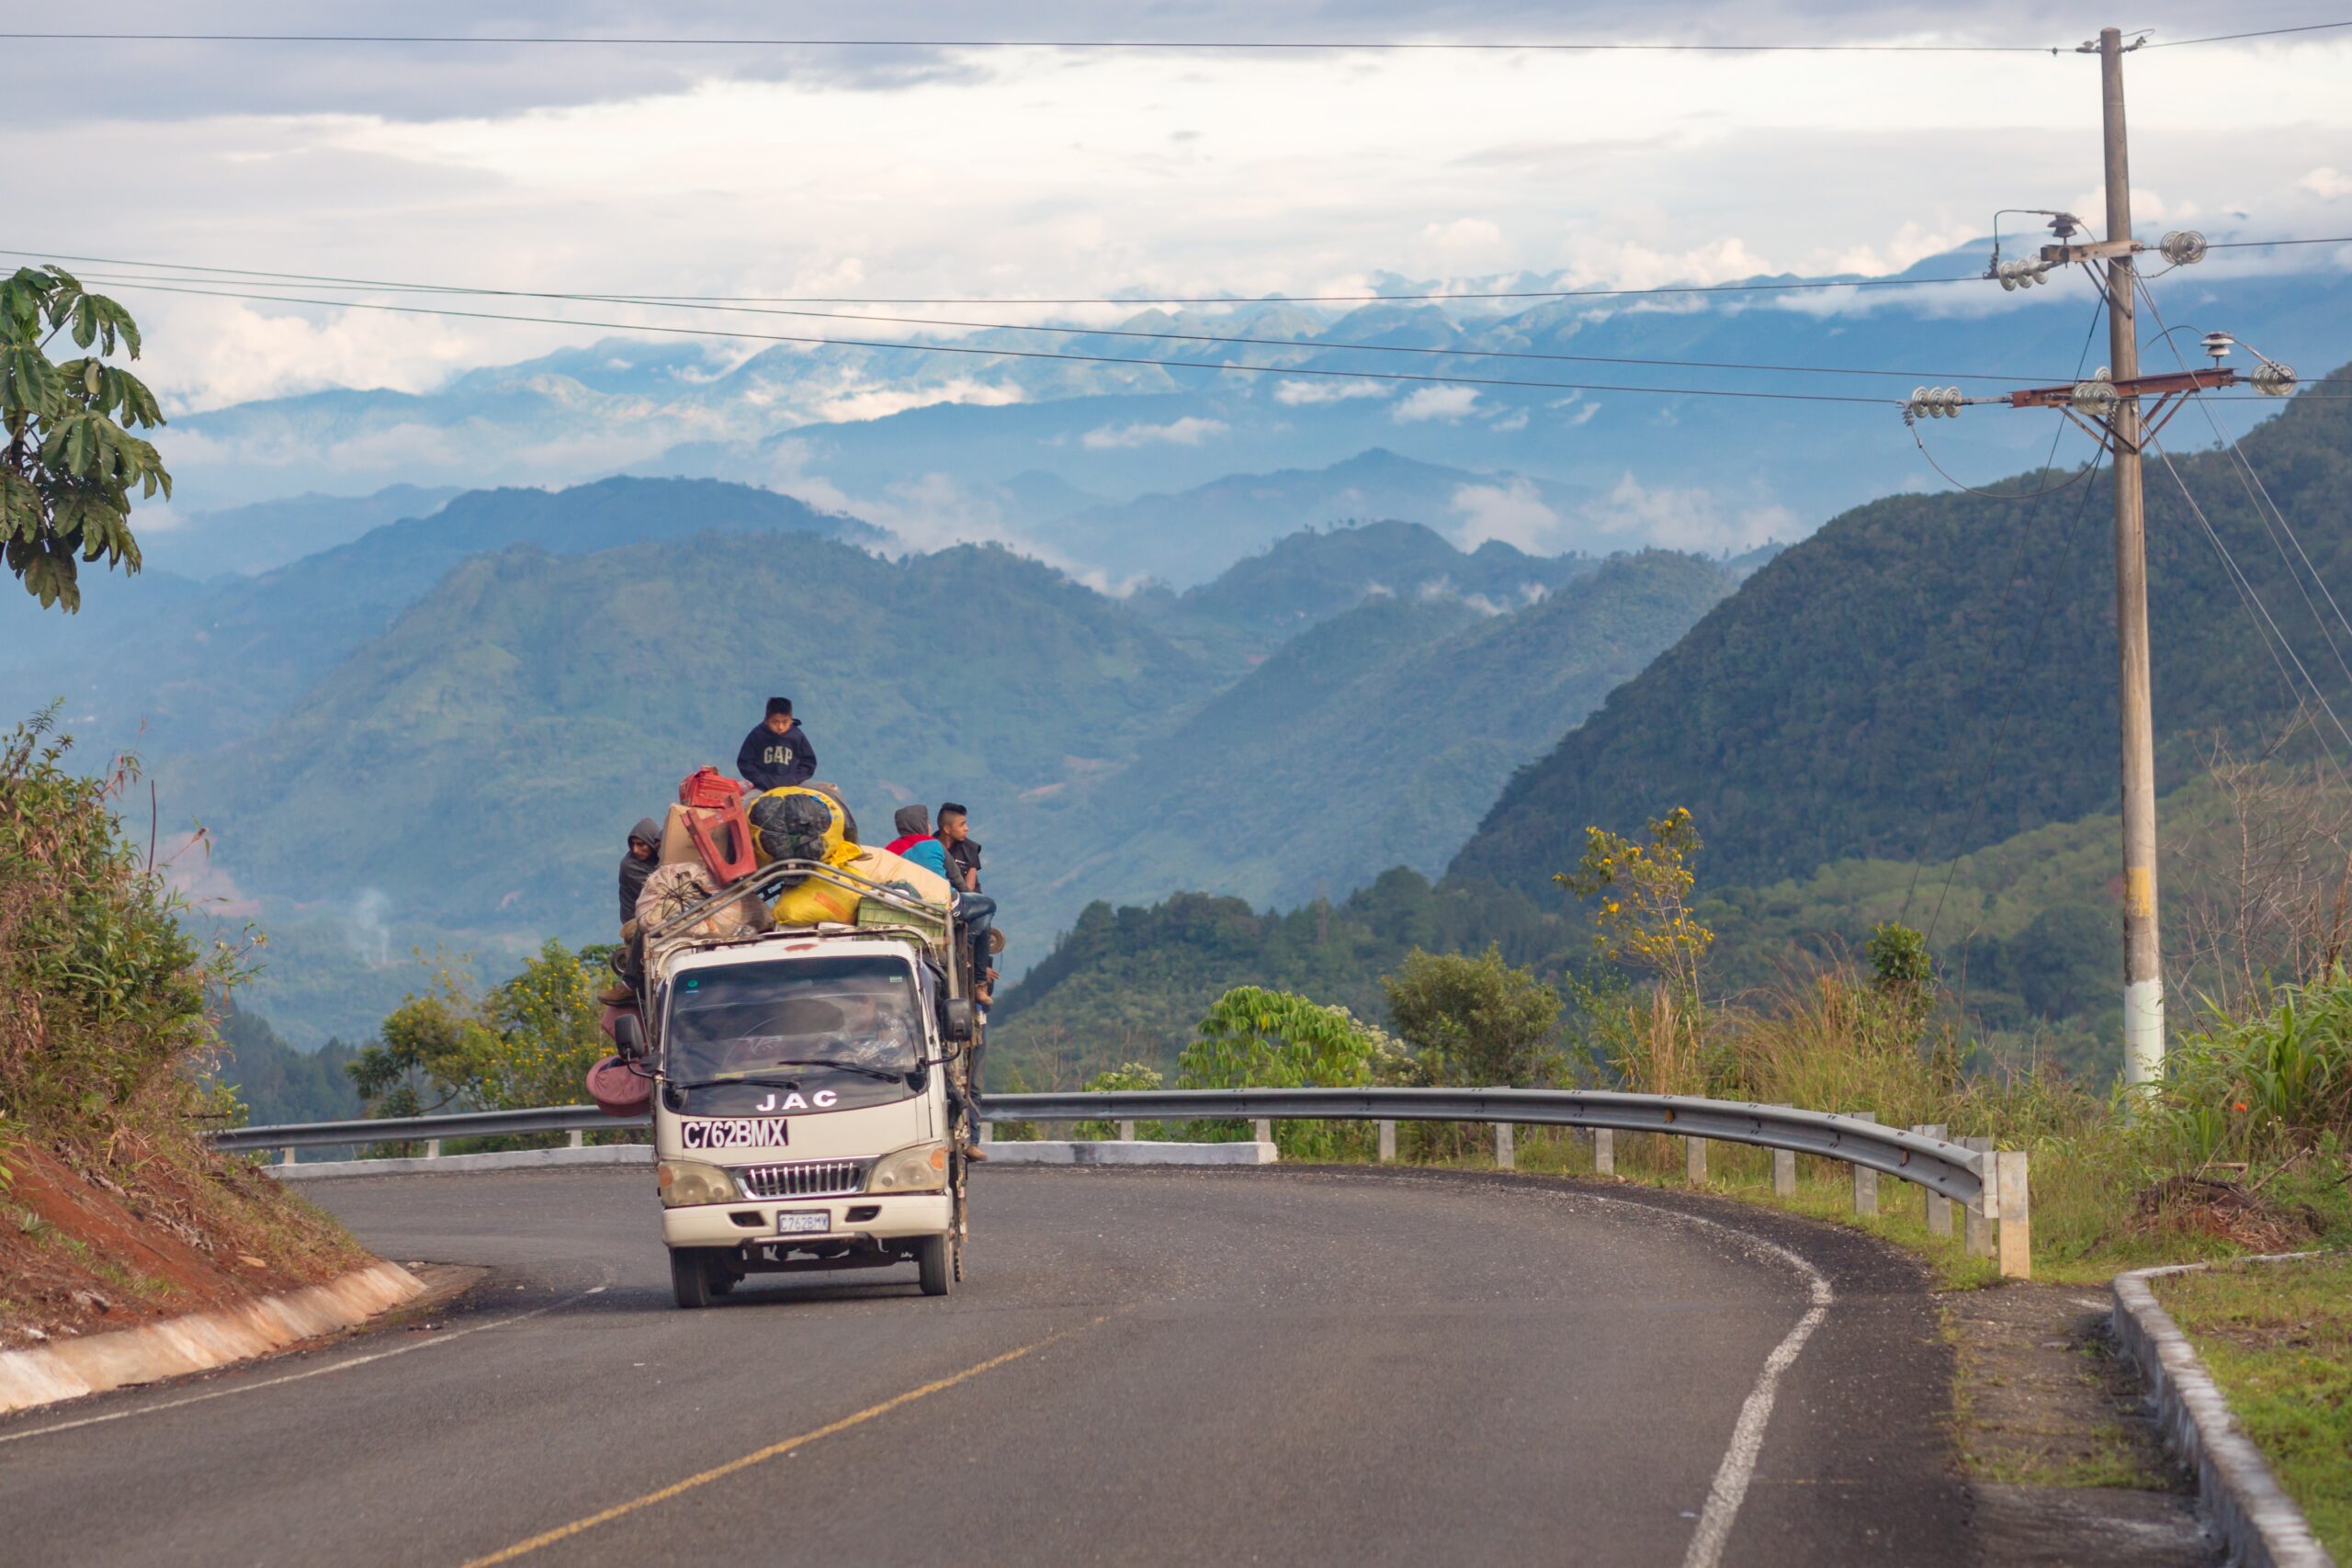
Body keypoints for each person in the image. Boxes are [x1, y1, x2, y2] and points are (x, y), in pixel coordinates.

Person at [736, 697, 816, 791]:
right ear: (766, 720)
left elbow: (809, 762)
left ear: (791, 720)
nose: (780, 727)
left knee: (829, 790)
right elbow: (745, 762)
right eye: (775, 722)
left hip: (795, 785)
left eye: (785, 722)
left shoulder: (797, 736)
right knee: (744, 803)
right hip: (762, 787)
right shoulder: (758, 735)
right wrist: (761, 779)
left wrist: (795, 779)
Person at [617, 818, 662, 928]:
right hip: (635, 922)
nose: (635, 850)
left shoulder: (660, 857)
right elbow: (659, 890)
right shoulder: (630, 866)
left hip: (659, 912)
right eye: (633, 844)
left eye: (641, 844)